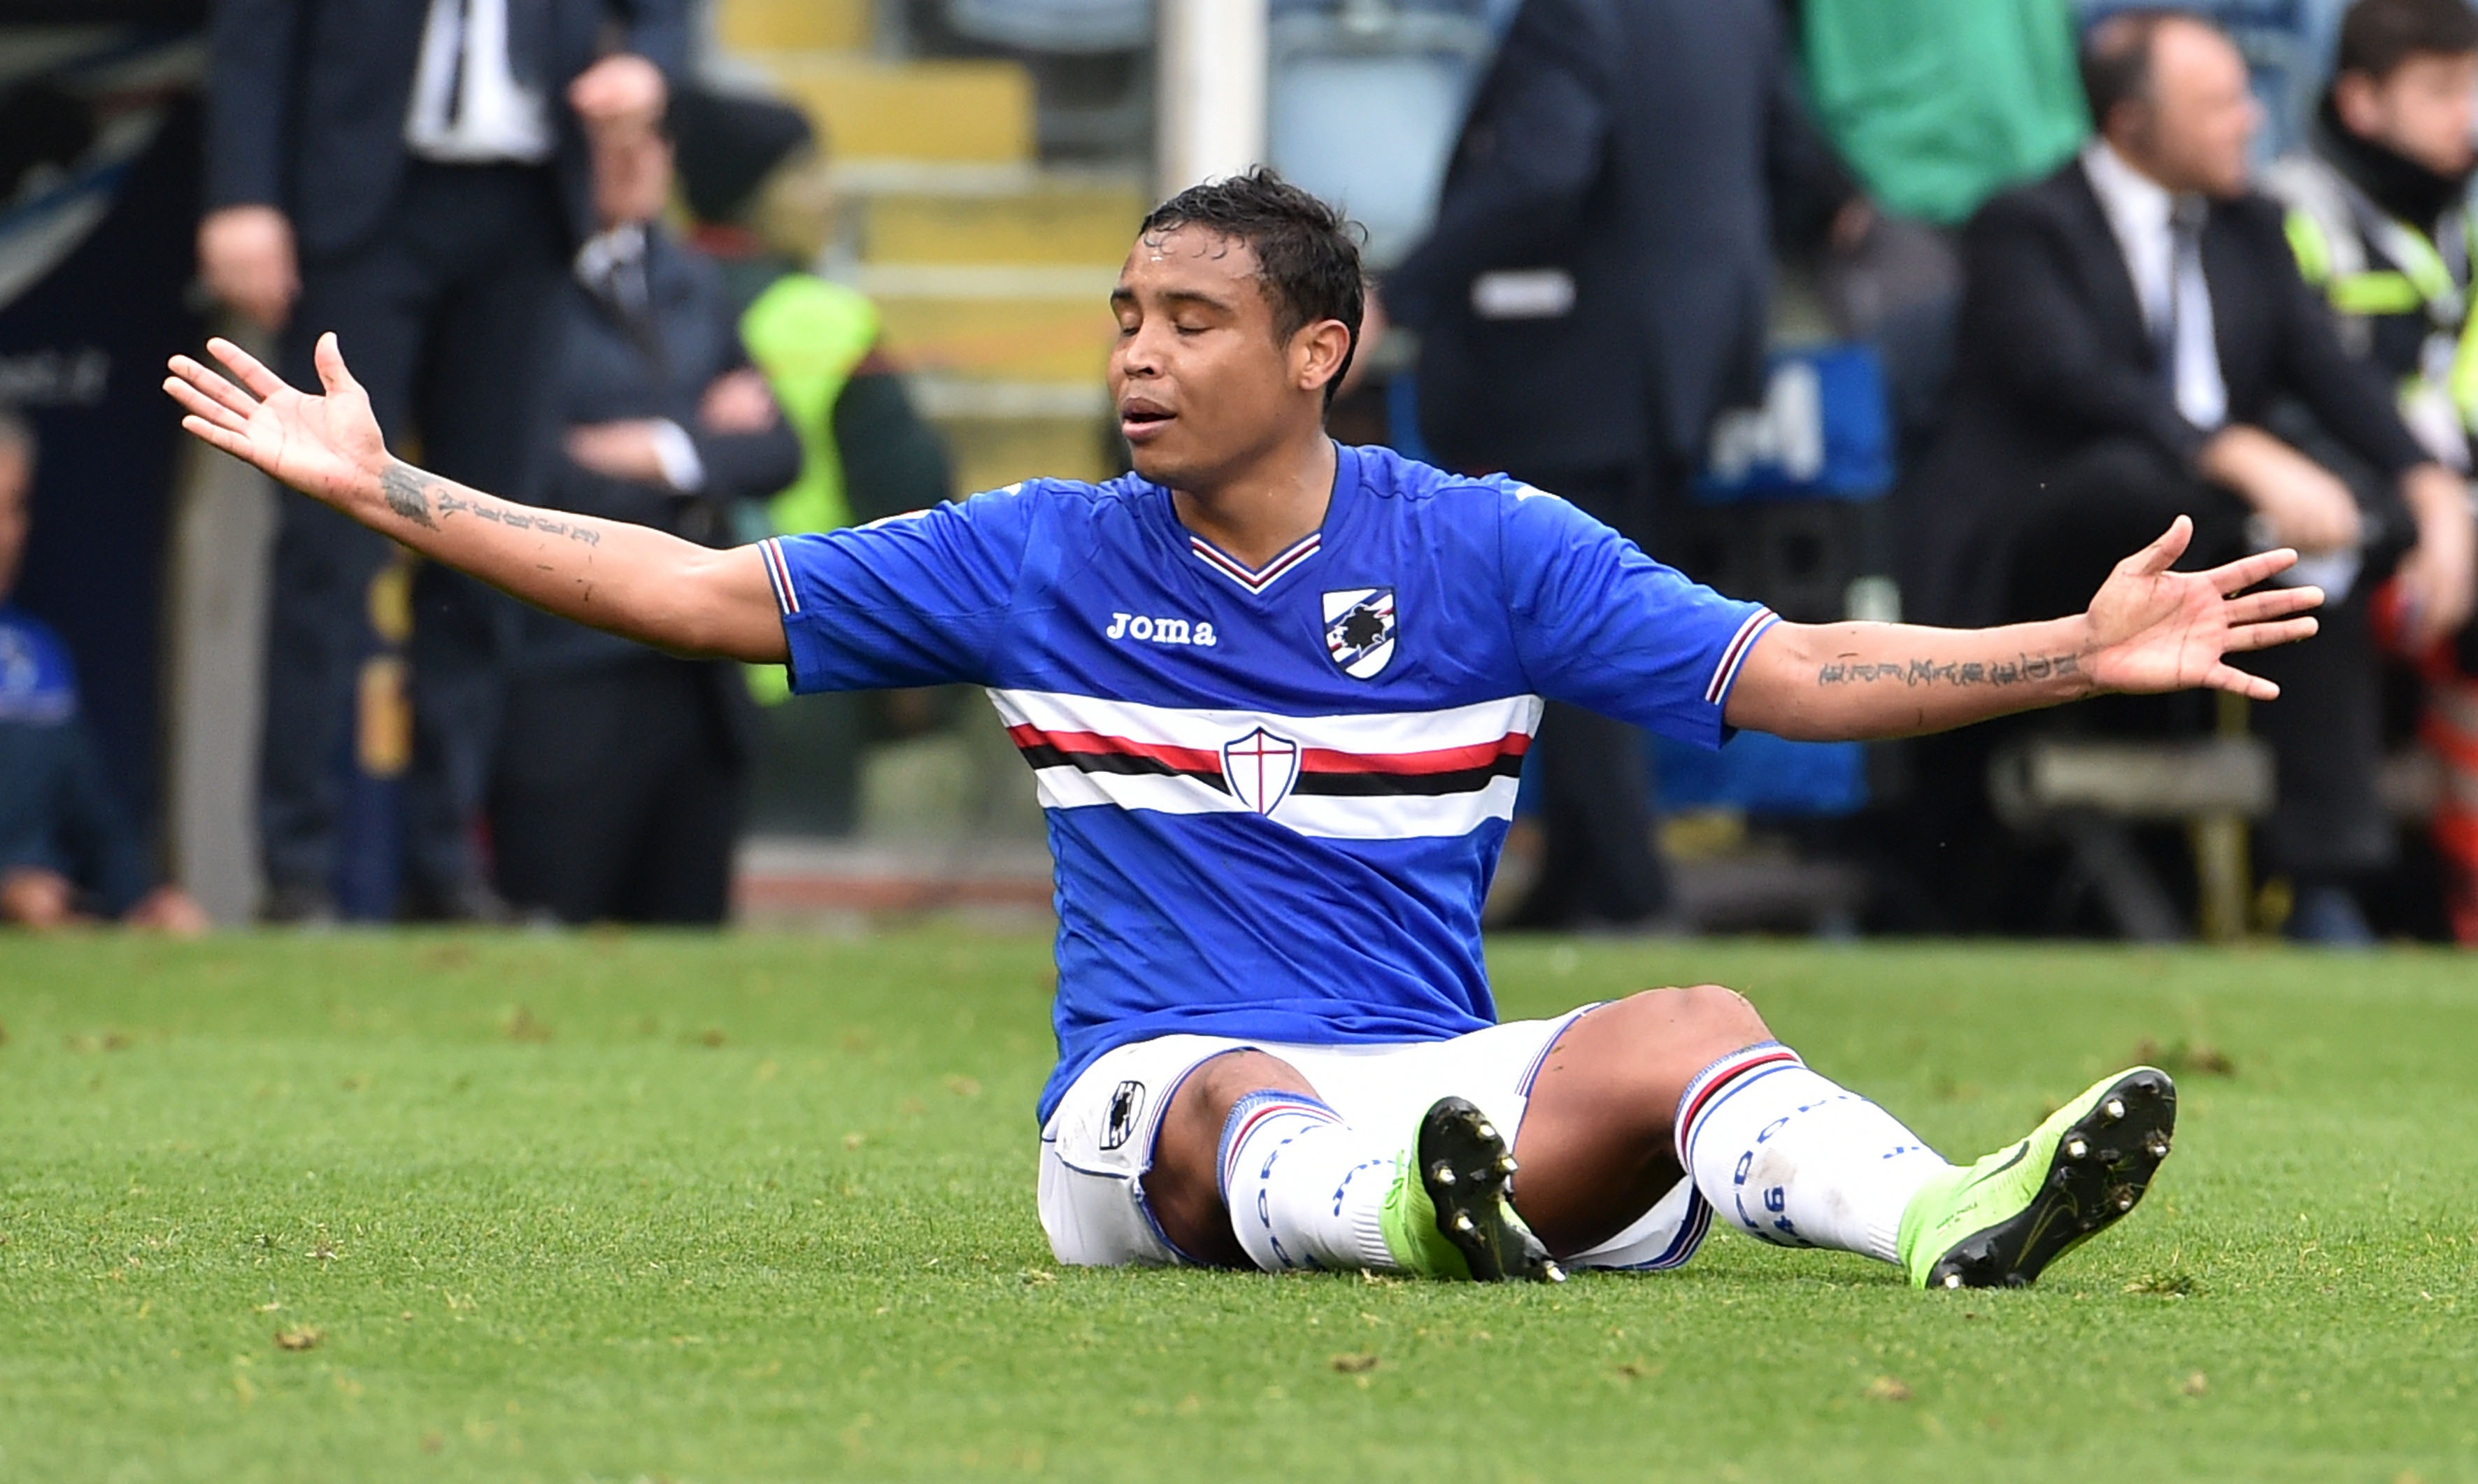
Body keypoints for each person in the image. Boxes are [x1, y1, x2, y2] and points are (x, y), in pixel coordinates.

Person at [168, 170, 2321, 1289]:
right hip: (1152, 1105)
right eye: (1122, 314)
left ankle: (1945, 1215)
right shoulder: (1031, 547)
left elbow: (1784, 671)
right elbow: (701, 589)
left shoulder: (1485, 544)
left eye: (1187, 321)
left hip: (1440, 1084)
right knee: (1220, 1087)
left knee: (1687, 1017)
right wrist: (396, 493)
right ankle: (1396, 1207)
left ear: (1320, 348)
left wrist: (2069, 641)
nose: (1135, 355)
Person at [1907, 8, 2475, 943]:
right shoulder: (2025, 225)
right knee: (2154, 486)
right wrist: (2235, 455)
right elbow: (2070, 381)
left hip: (2212, 542)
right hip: (2044, 557)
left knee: (2318, 530)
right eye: (2216, 103)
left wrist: (2426, 489)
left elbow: (2332, 379)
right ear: (2132, 125)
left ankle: (2324, 885)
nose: (2250, 118)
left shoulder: (2249, 225)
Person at [201, 0, 685, 923]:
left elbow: (661, 16)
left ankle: (447, 858)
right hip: (356, 203)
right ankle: (297, 867)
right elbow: (256, 28)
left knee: (490, 538)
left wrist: (649, 71)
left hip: (530, 209)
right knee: (323, 543)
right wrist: (241, 192)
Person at [1381, 0, 1860, 931]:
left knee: (1574, 624)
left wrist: (1403, 291)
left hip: (1578, 362)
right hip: (1687, 363)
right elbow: (1799, 162)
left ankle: (1627, 886)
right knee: (1585, 621)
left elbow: (1536, 173)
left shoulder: (1575, 12)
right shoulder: (1733, 16)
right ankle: (1581, 872)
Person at [484, 119, 802, 925]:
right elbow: (524, 473)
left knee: (690, 943)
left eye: (655, 132)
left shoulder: (689, 277)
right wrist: (703, 431)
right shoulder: (511, 287)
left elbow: (777, 447)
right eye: (608, 136)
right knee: (553, 929)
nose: (637, 156)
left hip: (699, 680)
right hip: (568, 671)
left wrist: (658, 447)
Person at [2263, 0, 2478, 942]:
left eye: (2472, 87)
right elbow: (2275, 386)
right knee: (2314, 562)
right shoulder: (2282, 211)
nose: (2463, 115)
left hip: (2449, 505)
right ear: (2357, 100)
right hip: (2325, 495)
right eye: (2436, 89)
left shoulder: (2461, 222)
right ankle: (2326, 891)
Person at [0, 411, 206, 934]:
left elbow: (93, 813)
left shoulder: (36, 654)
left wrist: (143, 898)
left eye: (14, 507)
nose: (4, 534)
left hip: (51, 918)